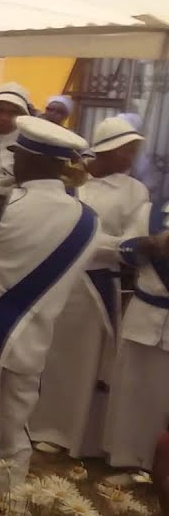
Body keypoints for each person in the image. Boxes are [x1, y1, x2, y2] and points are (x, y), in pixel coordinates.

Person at [0, 116, 100, 498]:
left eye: (18, 156)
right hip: (31, 339)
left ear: (32, 161)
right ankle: (10, 512)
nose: (13, 163)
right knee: (14, 429)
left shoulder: (1, 203)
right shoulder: (88, 220)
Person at [31, 116, 148, 458]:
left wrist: (83, 240)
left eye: (134, 151)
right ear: (105, 150)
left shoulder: (135, 191)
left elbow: (131, 245)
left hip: (96, 284)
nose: (130, 158)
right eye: (125, 150)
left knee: (83, 361)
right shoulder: (70, 181)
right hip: (57, 278)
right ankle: (41, 423)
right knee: (49, 354)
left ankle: (75, 434)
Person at [103, 185, 169, 475]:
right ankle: (129, 460)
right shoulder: (151, 212)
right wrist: (149, 244)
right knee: (135, 389)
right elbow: (124, 250)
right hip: (145, 315)